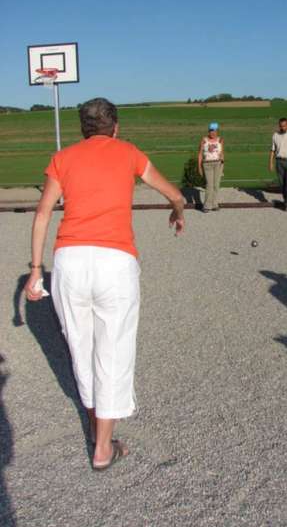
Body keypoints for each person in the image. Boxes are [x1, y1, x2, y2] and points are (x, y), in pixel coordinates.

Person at [24, 98, 185, 471]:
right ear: (115, 128)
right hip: (115, 263)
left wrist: (35, 270)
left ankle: (100, 431)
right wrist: (177, 213)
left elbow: (43, 213)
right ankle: (102, 447)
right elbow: (175, 195)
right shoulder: (128, 153)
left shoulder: (62, 158)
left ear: (83, 130)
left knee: (80, 348)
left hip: (69, 262)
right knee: (113, 350)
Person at [197, 122, 224, 212]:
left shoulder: (220, 140)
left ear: (217, 131)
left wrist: (222, 165)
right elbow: (200, 154)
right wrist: (199, 167)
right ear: (208, 131)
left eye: (215, 130)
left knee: (216, 185)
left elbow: (221, 153)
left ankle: (214, 204)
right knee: (209, 185)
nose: (213, 132)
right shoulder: (204, 140)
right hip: (207, 164)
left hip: (218, 164)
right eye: (211, 130)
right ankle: (207, 205)